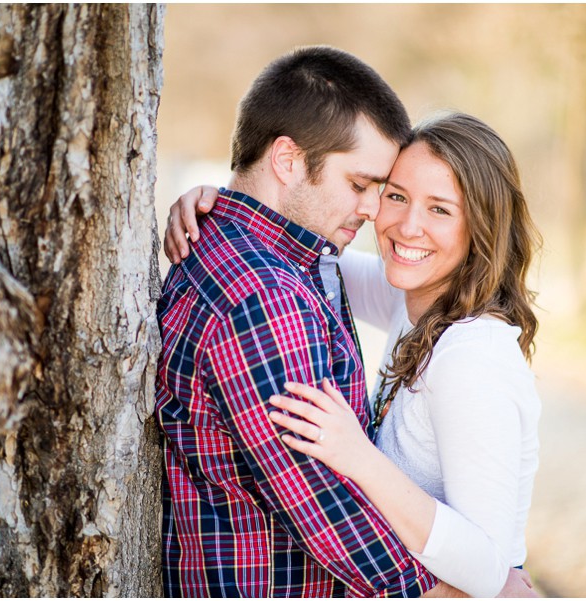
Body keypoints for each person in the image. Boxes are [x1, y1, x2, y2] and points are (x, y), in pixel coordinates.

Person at [164, 112, 542, 597]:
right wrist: (222, 203)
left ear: (482, 227)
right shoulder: (416, 299)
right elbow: (304, 259)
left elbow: (490, 570)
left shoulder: (472, 359)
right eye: (397, 196)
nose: (408, 227)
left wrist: (361, 458)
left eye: (440, 210)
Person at [155, 45, 439, 597]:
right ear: (286, 160)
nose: (372, 210)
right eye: (360, 185)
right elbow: (324, 502)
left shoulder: (251, 251)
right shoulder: (263, 295)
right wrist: (454, 592)